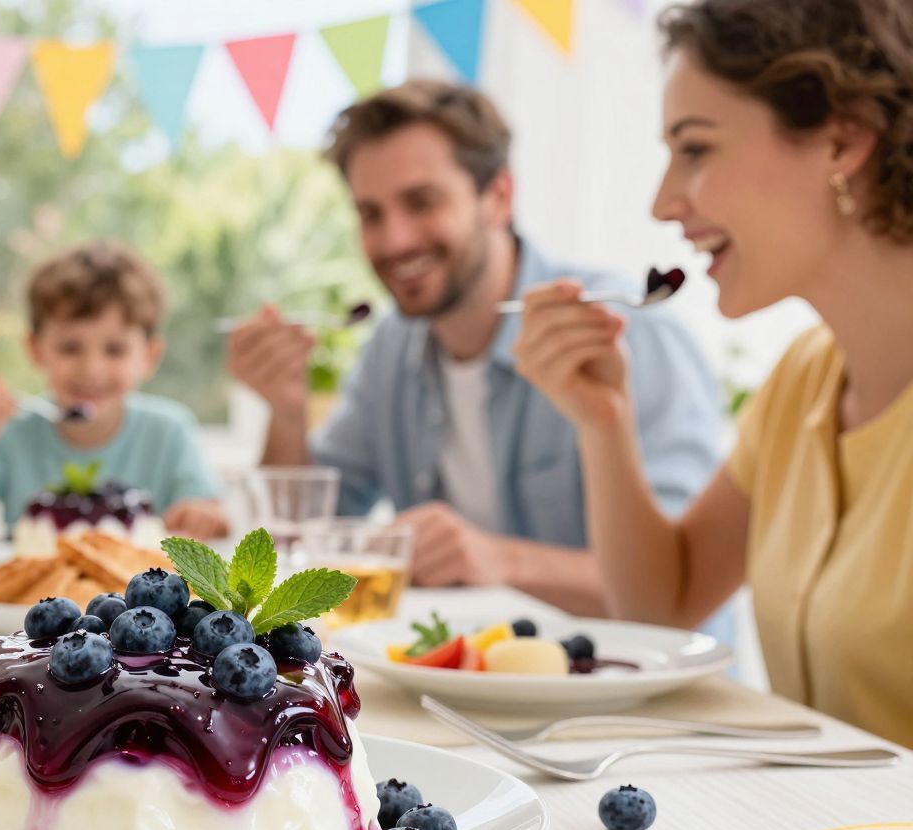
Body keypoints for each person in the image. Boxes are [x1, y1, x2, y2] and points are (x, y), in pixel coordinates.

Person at [515, 0, 913, 744]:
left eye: (694, 149)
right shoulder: (804, 381)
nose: (664, 202)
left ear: (842, 139)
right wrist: (604, 420)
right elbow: (663, 607)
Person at [228, 80, 724, 615]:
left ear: (499, 198)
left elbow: (688, 580)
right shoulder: (390, 350)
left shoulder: (620, 336)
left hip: (638, 692)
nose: (394, 240)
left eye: (422, 202)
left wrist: (500, 562)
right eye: (371, 214)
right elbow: (303, 538)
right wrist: (286, 410)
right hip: (469, 685)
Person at [0, 240, 229, 539]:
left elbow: (212, 518)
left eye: (115, 350)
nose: (91, 369)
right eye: (70, 347)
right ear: (36, 349)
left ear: (149, 356)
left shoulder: (168, 431)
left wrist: (201, 516)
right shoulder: (12, 432)